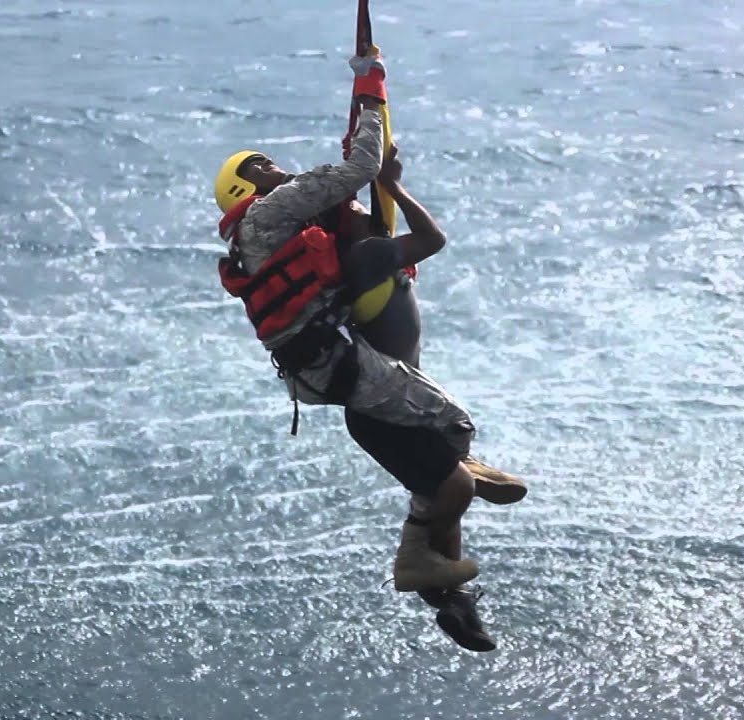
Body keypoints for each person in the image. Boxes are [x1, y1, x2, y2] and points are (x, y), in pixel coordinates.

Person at [213, 56, 480, 597]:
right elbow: (360, 168)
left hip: (322, 364)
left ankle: (451, 501)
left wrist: (373, 191)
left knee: (448, 438)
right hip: (337, 364)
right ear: (244, 190)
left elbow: (342, 218)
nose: (274, 167)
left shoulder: (263, 240)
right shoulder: (265, 215)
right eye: (260, 165)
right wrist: (370, 96)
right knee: (454, 422)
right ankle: (420, 551)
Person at [334, 150, 512, 652]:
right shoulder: (367, 255)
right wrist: (393, 187)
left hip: (397, 399)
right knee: (453, 490)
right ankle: (417, 558)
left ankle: (455, 600)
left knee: (446, 495)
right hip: (381, 408)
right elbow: (434, 239)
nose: (360, 208)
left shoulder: (365, 255)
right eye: (349, 208)